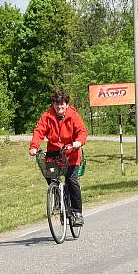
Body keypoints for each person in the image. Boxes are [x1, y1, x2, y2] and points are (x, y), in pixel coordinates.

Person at [29, 89, 88, 226]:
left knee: (71, 180)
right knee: (51, 177)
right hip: (54, 155)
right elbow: (39, 131)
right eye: (56, 104)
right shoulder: (47, 116)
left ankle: (77, 213)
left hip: (71, 154)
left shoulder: (73, 116)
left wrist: (77, 142)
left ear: (66, 104)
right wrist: (34, 147)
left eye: (62, 104)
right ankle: (56, 196)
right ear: (53, 104)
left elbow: (82, 132)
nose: (59, 107)